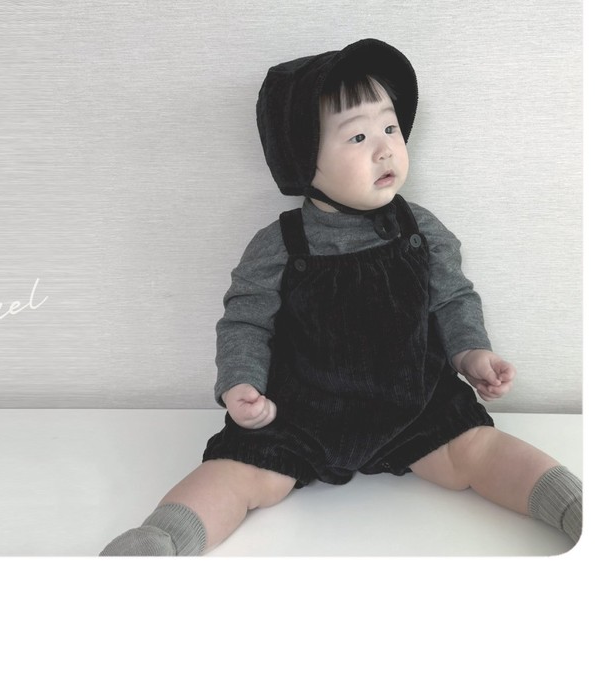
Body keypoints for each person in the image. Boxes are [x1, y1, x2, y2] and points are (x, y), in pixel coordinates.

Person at [100, 38, 582, 556]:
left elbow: (453, 298)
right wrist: (240, 382)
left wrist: (471, 353)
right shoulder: (279, 244)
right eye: (357, 136)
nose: (385, 149)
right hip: (299, 414)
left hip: (414, 405)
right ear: (303, 160)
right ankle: (159, 542)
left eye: (390, 128)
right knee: (236, 474)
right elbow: (246, 322)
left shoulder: (420, 229)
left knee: (479, 451)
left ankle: (574, 506)